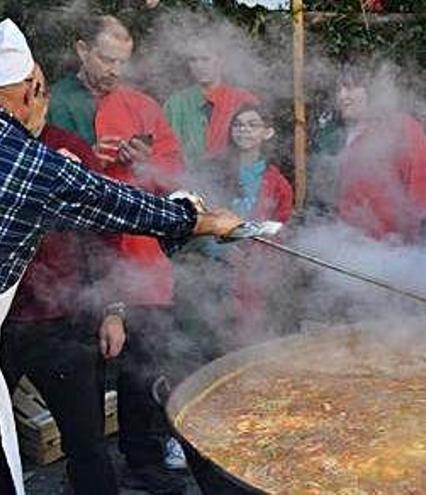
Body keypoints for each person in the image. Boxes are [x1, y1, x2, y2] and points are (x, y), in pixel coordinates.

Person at [0, 18, 241, 494]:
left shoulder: (132, 111)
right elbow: (106, 201)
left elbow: (125, 195)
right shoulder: (20, 155)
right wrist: (200, 220)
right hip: (18, 319)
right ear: (31, 88)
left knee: (89, 439)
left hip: (67, 313)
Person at [47, 14, 193, 486]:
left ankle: (143, 457)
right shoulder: (53, 101)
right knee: (83, 373)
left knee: (144, 364)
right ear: (81, 49)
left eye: (122, 62)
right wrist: (97, 159)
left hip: (140, 251)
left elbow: (172, 165)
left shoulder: (142, 104)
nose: (115, 70)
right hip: (79, 256)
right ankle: (87, 469)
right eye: (107, 59)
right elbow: (45, 168)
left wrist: (146, 160)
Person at [2, 122, 121, 494]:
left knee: (86, 443)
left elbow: (107, 229)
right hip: (4, 323)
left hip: (67, 321)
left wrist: (113, 310)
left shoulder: (67, 147)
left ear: (39, 94)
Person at [178, 104, 294, 355]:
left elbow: (279, 230)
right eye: (239, 125)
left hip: (252, 279)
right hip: (210, 273)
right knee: (206, 343)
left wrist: (261, 262)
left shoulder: (277, 183)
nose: (244, 131)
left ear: (268, 132)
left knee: (245, 345)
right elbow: (197, 218)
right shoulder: (213, 170)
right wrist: (218, 250)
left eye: (253, 125)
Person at [332, 65, 426, 243]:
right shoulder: (350, 138)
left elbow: (418, 193)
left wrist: (405, 244)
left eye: (349, 87)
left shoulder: (403, 128)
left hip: (392, 254)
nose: (341, 96)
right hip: (351, 248)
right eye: (338, 89)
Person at [163, 38, 258, 169]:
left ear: (221, 61)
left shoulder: (243, 99)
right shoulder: (175, 103)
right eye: (193, 60)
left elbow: (256, 149)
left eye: (205, 59)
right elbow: (165, 149)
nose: (199, 66)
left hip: (235, 180)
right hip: (187, 180)